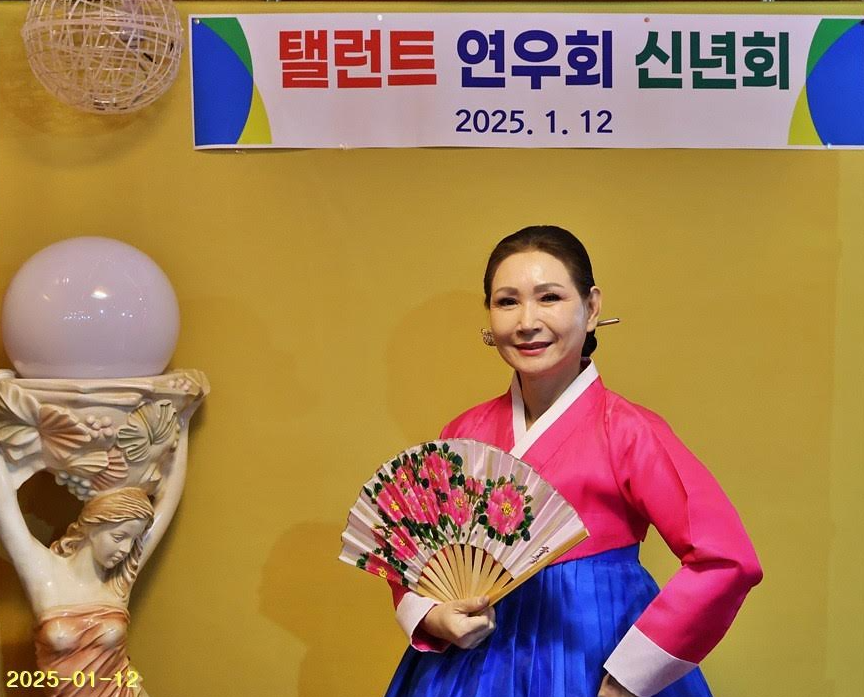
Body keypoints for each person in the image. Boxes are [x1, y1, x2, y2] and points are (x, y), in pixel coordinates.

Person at [384, 226, 762, 697]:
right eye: (507, 302)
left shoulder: (628, 431)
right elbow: (413, 551)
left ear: (592, 307)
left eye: (550, 297)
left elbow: (727, 560)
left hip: (591, 656)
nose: (527, 321)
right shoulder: (463, 433)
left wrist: (630, 678)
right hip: (471, 667)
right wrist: (433, 616)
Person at [0, 447, 186, 696]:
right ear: (91, 525)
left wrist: (183, 430)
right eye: (118, 537)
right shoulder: (43, 573)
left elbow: (169, 498)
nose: (126, 549)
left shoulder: (118, 581)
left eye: (133, 540)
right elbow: (4, 503)